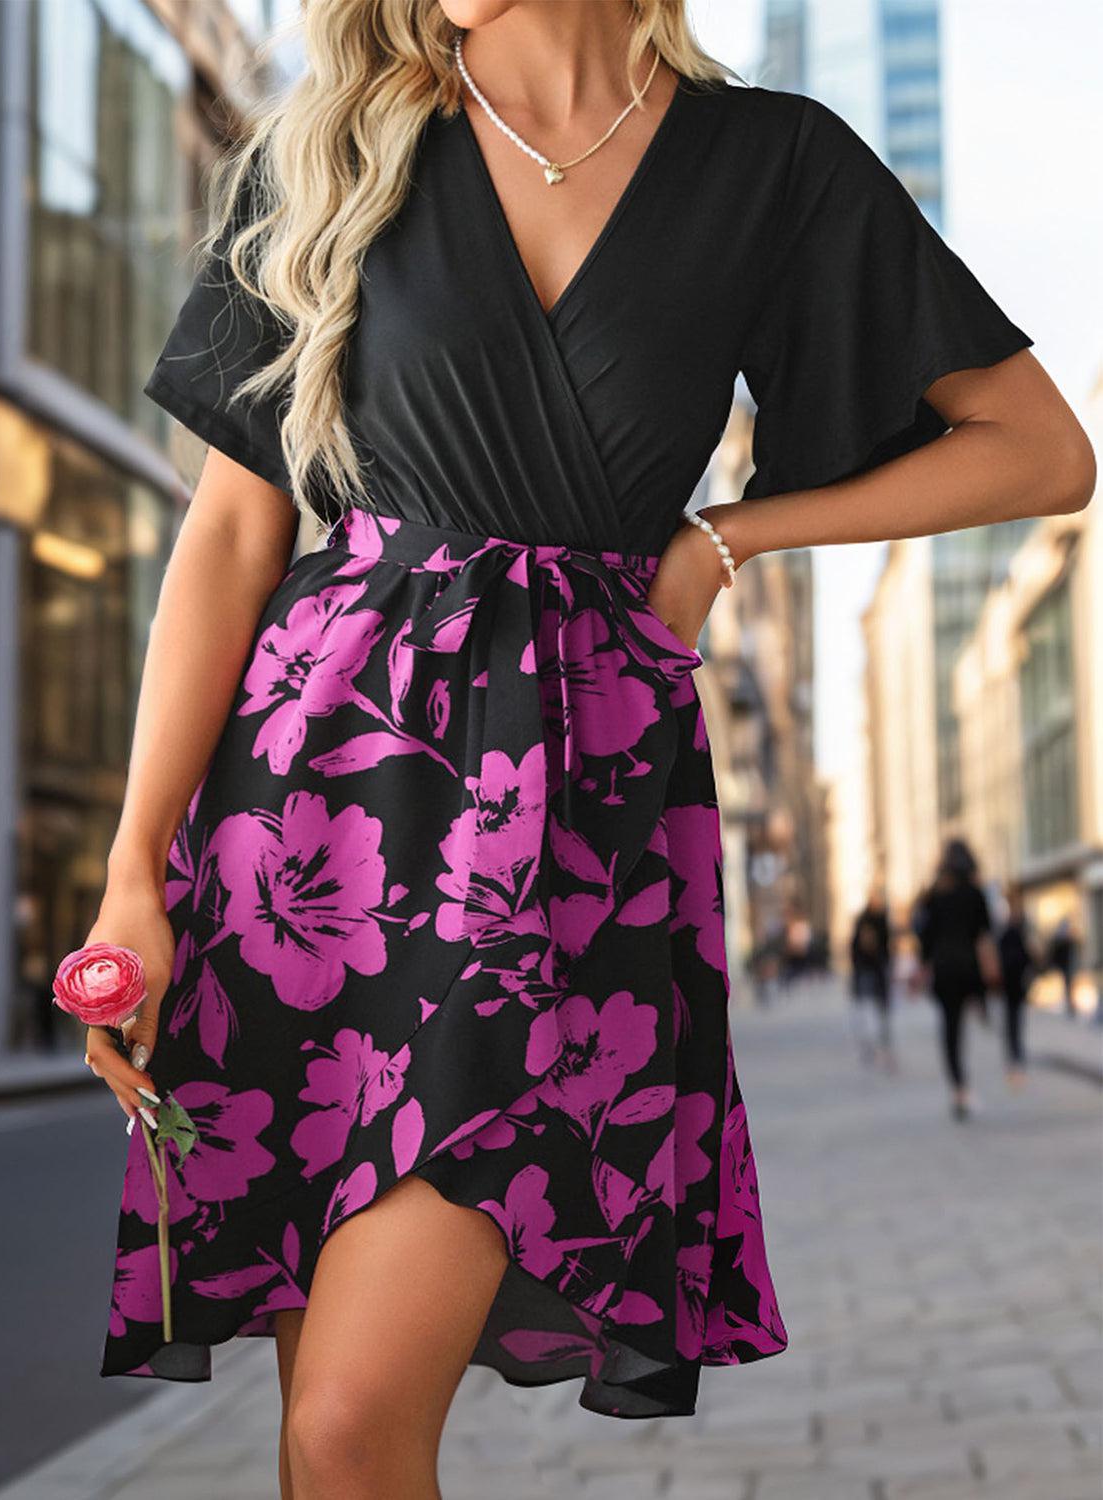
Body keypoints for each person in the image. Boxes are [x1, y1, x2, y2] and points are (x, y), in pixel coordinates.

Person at [76, 2, 1092, 1492]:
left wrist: (729, 538)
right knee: (331, 1429)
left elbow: (1039, 447)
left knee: (351, 1419)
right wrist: (130, 878)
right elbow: (233, 531)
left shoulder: (772, 163)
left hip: (571, 816)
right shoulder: (336, 146)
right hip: (306, 819)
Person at [916, 839, 1001, 1120]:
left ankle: (959, 1088)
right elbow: (985, 935)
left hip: (944, 970)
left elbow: (925, 939)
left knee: (950, 1030)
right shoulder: (976, 893)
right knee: (959, 1024)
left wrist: (923, 968)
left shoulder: (935, 896)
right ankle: (981, 1008)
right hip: (969, 969)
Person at [995, 883, 1038, 1088]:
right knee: (1011, 1019)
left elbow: (1030, 952)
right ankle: (1014, 1055)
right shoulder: (1007, 923)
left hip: (1017, 977)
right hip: (1009, 979)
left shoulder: (1020, 924)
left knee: (1015, 1018)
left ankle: (1016, 1055)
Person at [849, 884, 895, 1069]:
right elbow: (857, 947)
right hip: (866, 969)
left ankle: (882, 1043)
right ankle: (871, 1045)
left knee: (881, 1008)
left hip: (879, 968)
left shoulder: (882, 919)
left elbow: (886, 945)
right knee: (867, 1008)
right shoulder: (864, 919)